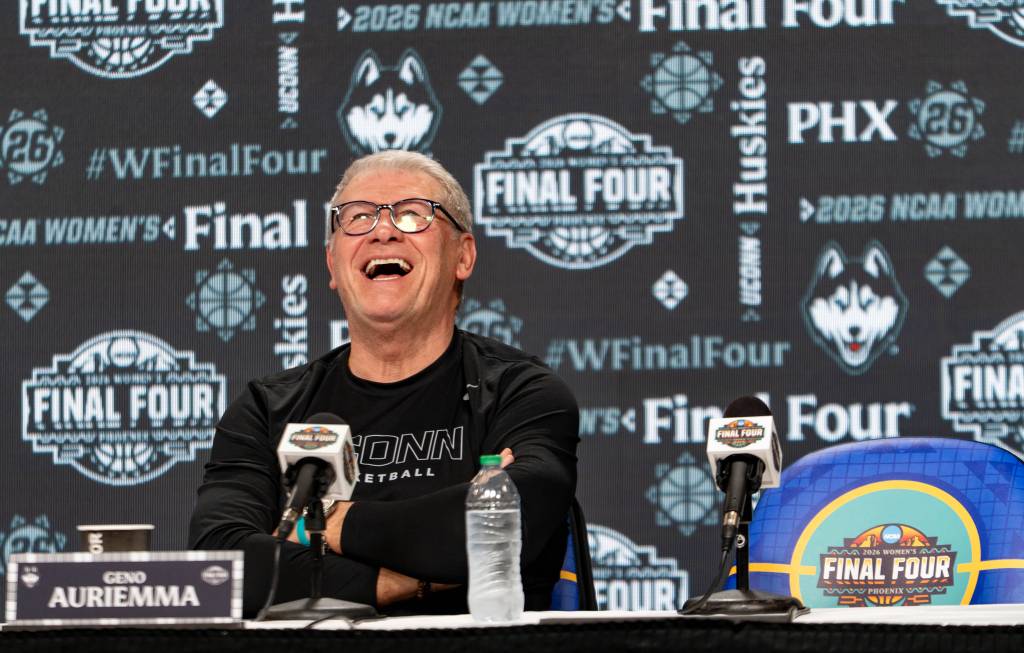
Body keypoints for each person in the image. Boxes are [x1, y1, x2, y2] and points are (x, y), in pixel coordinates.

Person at [188, 151, 579, 616]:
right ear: (332, 265)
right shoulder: (267, 408)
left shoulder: (521, 392)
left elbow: (509, 524)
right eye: (357, 218)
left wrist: (321, 524)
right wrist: (402, 583)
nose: (383, 230)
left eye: (413, 214)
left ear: (463, 255)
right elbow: (222, 566)